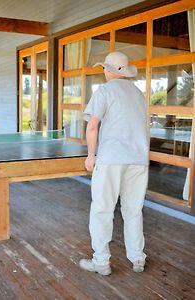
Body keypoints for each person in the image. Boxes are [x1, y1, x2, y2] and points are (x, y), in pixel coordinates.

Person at [79, 51, 149, 276]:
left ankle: (101, 262)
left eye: (104, 68)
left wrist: (91, 156)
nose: (103, 71)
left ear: (108, 70)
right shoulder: (139, 94)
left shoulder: (105, 91)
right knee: (133, 211)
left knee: (102, 210)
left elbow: (92, 126)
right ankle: (138, 258)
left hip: (111, 159)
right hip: (138, 160)